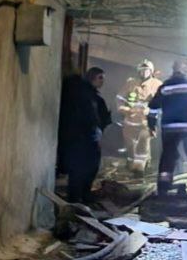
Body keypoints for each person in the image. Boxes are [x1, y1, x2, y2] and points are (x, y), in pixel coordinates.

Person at [147, 59, 187, 198]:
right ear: (186, 69)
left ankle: (163, 188)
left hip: (169, 128)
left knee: (168, 157)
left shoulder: (165, 86)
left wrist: (151, 125)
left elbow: (153, 107)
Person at [58, 67, 112, 204]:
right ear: (92, 77)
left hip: (86, 138)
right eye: (100, 78)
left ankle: (82, 197)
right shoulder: (83, 95)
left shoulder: (92, 96)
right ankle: (76, 199)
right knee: (79, 170)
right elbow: (88, 117)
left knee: (88, 168)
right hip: (82, 139)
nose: (102, 81)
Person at [117, 59, 162, 171]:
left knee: (143, 145)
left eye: (147, 70)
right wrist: (124, 109)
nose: (144, 72)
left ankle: (139, 169)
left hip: (146, 121)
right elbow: (120, 98)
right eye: (142, 69)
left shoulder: (157, 85)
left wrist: (150, 111)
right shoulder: (131, 83)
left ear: (151, 71)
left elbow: (163, 103)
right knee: (130, 145)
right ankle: (132, 164)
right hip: (130, 120)